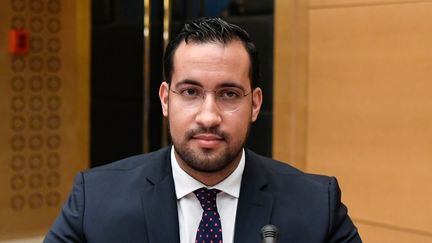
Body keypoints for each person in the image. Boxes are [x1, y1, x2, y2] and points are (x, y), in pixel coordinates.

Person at [44, 17, 361, 243]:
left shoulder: (317, 206)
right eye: (191, 92)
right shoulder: (95, 200)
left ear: (255, 104)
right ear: (166, 100)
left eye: (229, 94)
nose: (208, 117)